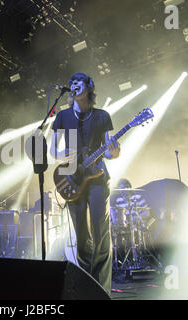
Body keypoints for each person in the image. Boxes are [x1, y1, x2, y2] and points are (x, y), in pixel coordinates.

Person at [50, 72, 120, 295]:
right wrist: (63, 155)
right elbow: (53, 149)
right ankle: (87, 288)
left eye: (78, 82)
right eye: (71, 83)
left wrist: (114, 152)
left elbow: (110, 152)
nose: (73, 85)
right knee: (81, 238)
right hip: (71, 179)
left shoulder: (102, 116)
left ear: (89, 87)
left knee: (101, 235)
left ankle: (102, 291)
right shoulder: (62, 116)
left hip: (98, 180)